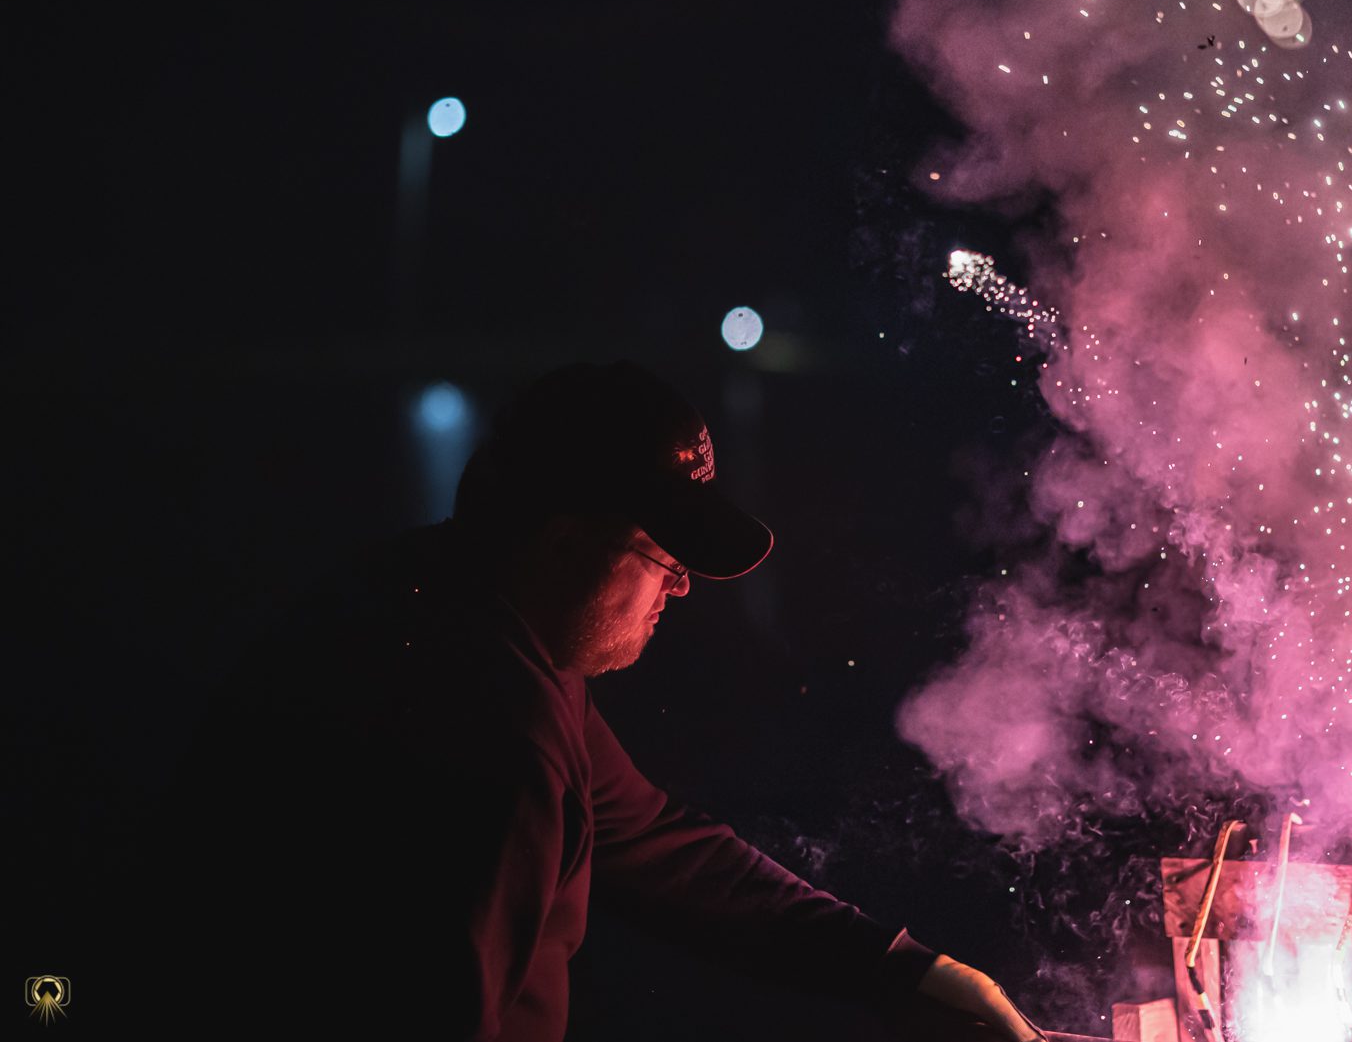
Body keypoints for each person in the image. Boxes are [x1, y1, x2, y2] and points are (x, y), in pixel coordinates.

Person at [154, 362, 1044, 1041]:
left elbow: (668, 849)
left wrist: (919, 973)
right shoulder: (493, 732)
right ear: (562, 541)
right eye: (663, 554)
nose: (684, 587)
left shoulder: (461, 612)